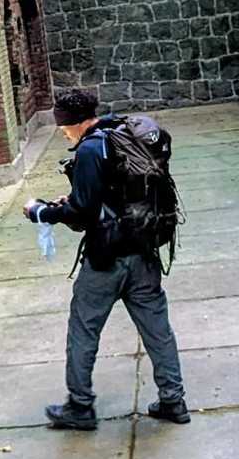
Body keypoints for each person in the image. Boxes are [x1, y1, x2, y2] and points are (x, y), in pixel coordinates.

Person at [23, 88, 188, 430]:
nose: (62, 132)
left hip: (106, 259)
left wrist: (41, 212)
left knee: (83, 329)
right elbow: (111, 195)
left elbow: (82, 213)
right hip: (144, 250)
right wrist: (75, 200)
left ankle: (80, 407)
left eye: (63, 126)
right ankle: (174, 400)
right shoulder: (122, 135)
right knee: (158, 330)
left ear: (74, 122)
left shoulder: (89, 149)